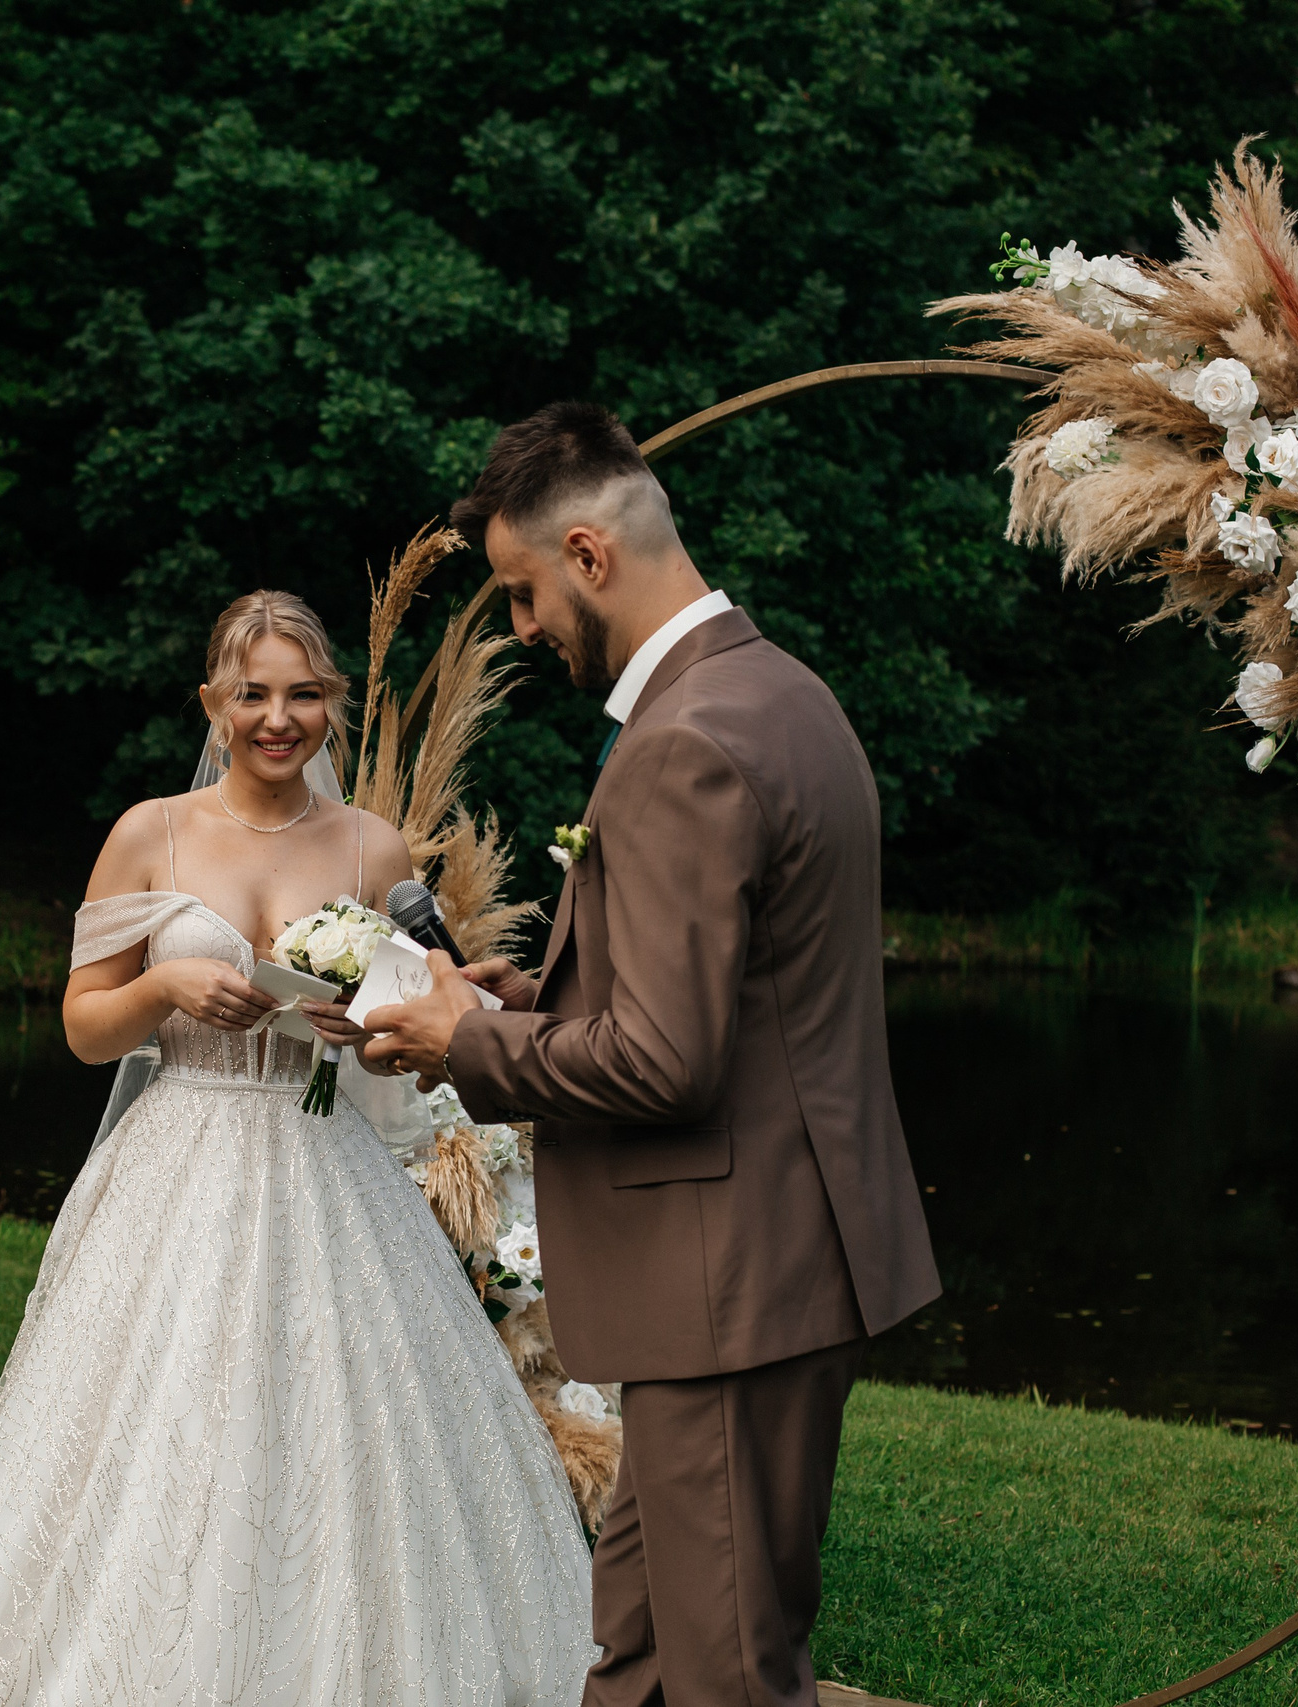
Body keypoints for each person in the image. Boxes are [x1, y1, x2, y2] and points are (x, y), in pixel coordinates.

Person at [0, 590, 595, 1706]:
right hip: (182, 1159)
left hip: (324, 1164)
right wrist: (163, 983)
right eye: (252, 693)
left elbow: (418, 1025)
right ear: (211, 705)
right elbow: (81, 1028)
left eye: (304, 693)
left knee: (331, 1422)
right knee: (160, 1418)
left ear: (332, 706)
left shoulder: (372, 846)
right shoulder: (148, 833)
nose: (278, 717)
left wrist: (355, 1026)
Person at [362, 404, 941, 1707]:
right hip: (768, 1267)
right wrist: (525, 995)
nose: (521, 628)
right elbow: (742, 1003)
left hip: (729, 1290)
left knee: (727, 1673)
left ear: (588, 550)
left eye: (521, 594)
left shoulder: (684, 740)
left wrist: (468, 1039)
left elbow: (670, 1061)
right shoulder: (778, 692)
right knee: (636, 1652)